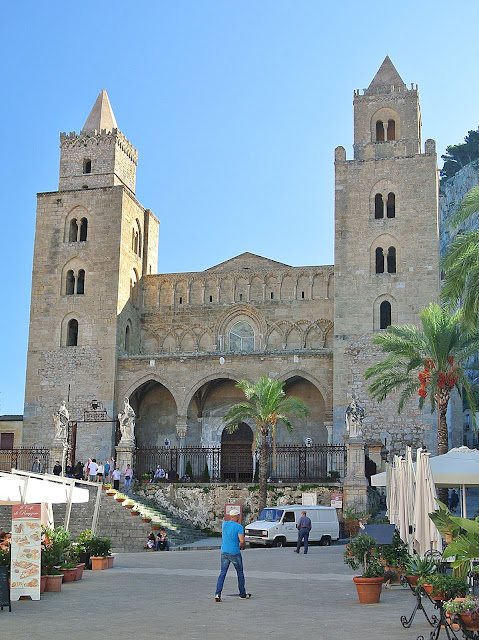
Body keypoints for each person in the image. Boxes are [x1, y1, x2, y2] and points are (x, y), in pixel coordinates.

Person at [215, 508, 250, 602]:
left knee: (222, 573)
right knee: (240, 573)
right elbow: (242, 541)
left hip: (224, 552)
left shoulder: (224, 524)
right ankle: (242, 594)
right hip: (234, 552)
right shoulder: (239, 527)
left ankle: (218, 593)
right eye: (238, 515)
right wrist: (243, 547)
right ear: (237, 516)